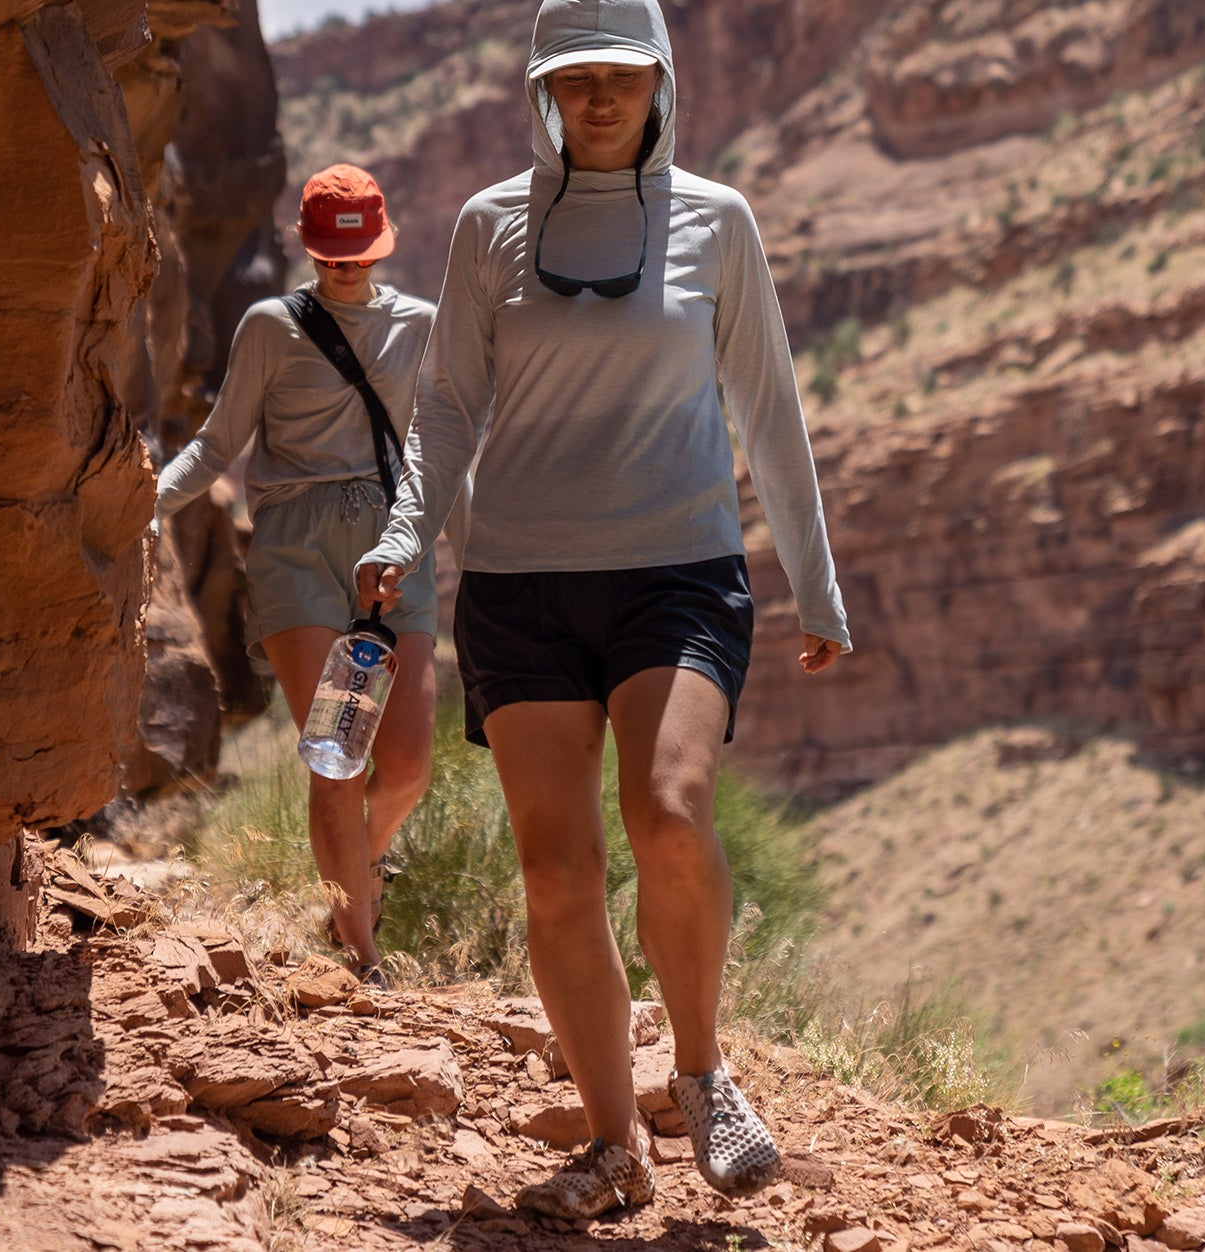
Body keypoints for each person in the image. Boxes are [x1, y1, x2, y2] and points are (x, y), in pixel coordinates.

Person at [354, 0, 851, 1221]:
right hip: (519, 586)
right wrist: (403, 527)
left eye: (617, 75)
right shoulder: (488, 229)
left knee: (669, 811)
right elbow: (450, 406)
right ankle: (612, 1140)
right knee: (554, 867)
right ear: (540, 91)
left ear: (660, 81)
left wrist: (815, 581)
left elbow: (768, 407)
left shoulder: (715, 221)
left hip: (677, 570)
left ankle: (701, 1072)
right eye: (570, 77)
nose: (594, 97)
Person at [156, 165, 439, 984]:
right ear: (311, 250)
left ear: (381, 246)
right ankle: (363, 960)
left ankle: (350, 880)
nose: (346, 269)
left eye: (358, 256)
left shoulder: (420, 326)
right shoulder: (270, 326)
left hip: (393, 547)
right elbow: (216, 445)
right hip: (298, 548)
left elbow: (438, 450)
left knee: (409, 766)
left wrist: (418, 540)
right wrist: (149, 503)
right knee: (336, 760)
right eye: (332, 257)